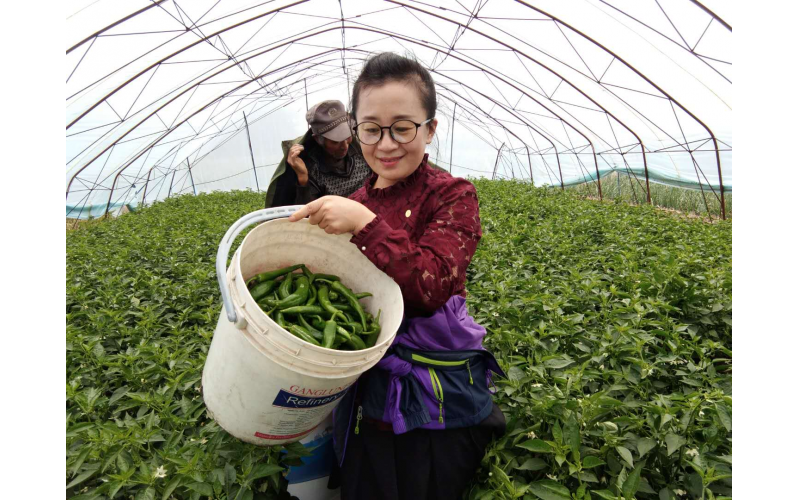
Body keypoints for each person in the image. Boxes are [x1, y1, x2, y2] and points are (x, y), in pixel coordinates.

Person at [288, 52, 506, 500]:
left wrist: (364, 224)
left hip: (430, 396)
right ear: (355, 129)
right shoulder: (359, 196)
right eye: (371, 129)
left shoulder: (452, 196)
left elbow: (432, 286)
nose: (385, 144)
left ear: (430, 128)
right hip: (366, 382)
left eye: (402, 127)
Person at [264, 100, 372, 208]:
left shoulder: (361, 149)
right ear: (318, 139)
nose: (344, 146)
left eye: (347, 136)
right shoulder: (313, 169)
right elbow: (308, 213)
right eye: (335, 141)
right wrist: (303, 179)